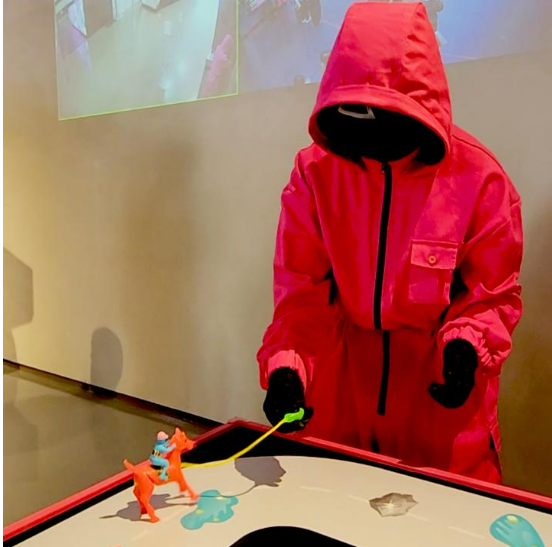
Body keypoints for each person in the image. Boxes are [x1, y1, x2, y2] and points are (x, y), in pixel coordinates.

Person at [258, 2, 522, 483]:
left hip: (441, 409)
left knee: (445, 517)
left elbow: (492, 293)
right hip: (342, 400)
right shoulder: (315, 173)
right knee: (334, 509)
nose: (369, 130)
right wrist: (288, 368)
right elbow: (302, 294)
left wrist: (467, 347)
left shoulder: (479, 178)